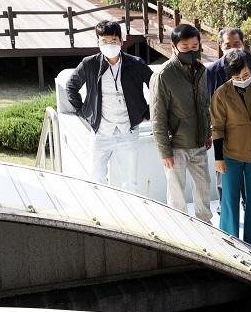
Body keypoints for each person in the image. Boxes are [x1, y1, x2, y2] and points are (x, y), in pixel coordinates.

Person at [66, 20, 152, 192]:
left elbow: (157, 87)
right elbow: (71, 87)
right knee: (96, 179)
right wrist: (85, 112)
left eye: (113, 41)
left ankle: (130, 214)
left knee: (130, 182)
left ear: (121, 40)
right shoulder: (89, 64)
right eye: (104, 41)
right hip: (101, 132)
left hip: (128, 130)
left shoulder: (136, 64)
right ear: (97, 41)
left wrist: (147, 114)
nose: (109, 45)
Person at [150, 24, 212, 222]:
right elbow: (157, 117)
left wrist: (207, 133)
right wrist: (164, 151)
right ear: (174, 47)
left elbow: (204, 104)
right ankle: (180, 228)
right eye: (185, 48)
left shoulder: (201, 70)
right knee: (177, 195)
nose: (191, 51)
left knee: (203, 189)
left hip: (199, 142)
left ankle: (206, 225)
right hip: (176, 145)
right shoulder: (163, 75)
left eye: (195, 47)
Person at [211, 49, 251, 250]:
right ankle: (229, 239)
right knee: (229, 198)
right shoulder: (221, 93)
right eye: (237, 77)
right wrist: (218, 158)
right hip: (230, 154)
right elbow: (217, 128)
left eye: (245, 75)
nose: (242, 79)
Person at [206, 27, 251, 97]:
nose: (232, 49)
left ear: (242, 44)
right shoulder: (211, 70)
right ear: (221, 46)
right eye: (228, 46)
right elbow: (211, 99)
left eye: (236, 45)